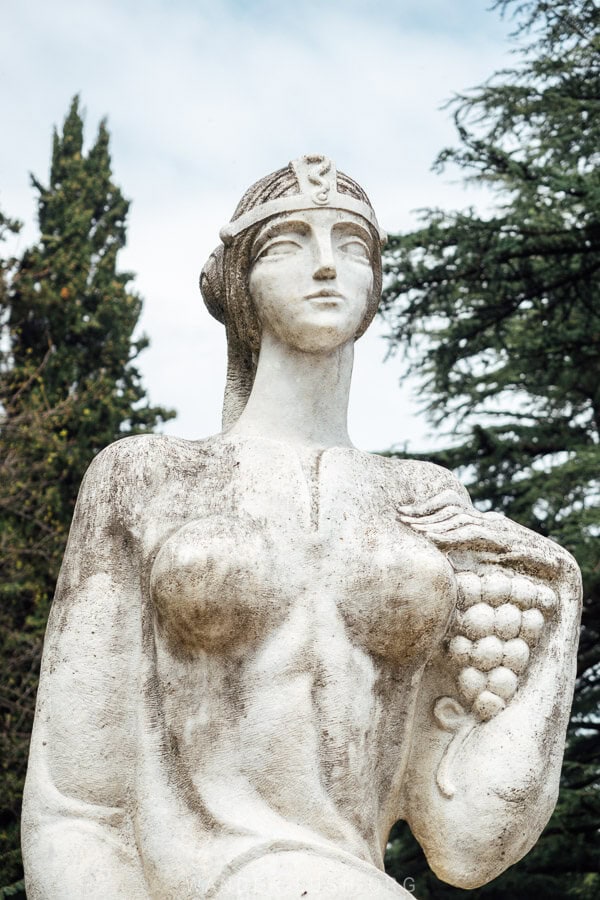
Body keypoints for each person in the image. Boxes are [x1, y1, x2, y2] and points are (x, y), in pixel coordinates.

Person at [22, 155, 582, 899]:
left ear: (376, 285)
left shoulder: (427, 500)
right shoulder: (146, 477)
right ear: (239, 286)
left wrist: (560, 610)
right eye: (289, 243)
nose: (327, 266)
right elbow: (76, 803)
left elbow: (468, 844)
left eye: (352, 246)